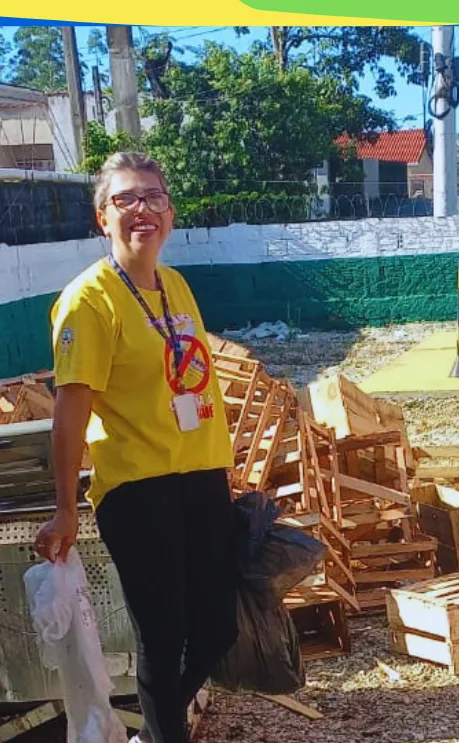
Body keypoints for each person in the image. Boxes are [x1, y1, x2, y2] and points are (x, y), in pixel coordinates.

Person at [33, 152, 238, 743]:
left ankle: (155, 729)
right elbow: (70, 413)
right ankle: (165, 732)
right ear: (103, 218)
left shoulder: (175, 285)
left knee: (217, 627)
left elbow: (196, 382)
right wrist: (66, 505)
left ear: (170, 213)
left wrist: (223, 468)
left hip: (199, 476)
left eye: (153, 197)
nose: (142, 210)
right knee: (164, 632)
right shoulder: (89, 300)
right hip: (138, 488)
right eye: (125, 199)